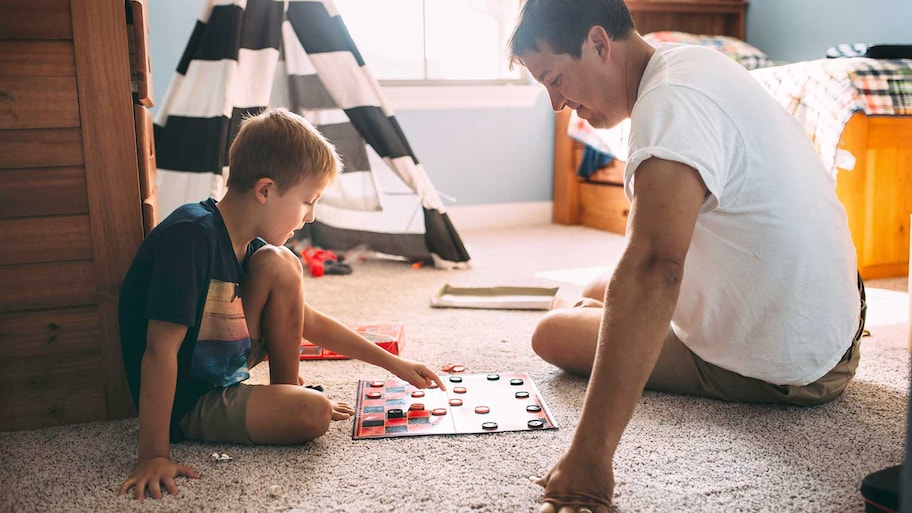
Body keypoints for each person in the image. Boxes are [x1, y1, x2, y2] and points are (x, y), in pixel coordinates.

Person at [507, 1, 866, 511]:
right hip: (833, 322)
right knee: (595, 291)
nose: (556, 103)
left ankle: (605, 398)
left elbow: (657, 268)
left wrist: (588, 460)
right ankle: (617, 322)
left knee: (552, 333)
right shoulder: (689, 65)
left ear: (599, 44)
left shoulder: (669, 105)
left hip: (791, 366)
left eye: (556, 78)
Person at [117, 108, 446, 501]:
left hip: (219, 359)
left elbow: (305, 320)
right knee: (314, 414)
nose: (310, 217)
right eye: (308, 201)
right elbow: (158, 353)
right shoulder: (190, 238)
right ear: (265, 190)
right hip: (188, 399)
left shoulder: (247, 242)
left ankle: (285, 389)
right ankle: (287, 402)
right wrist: (153, 453)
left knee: (283, 263)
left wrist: (393, 364)